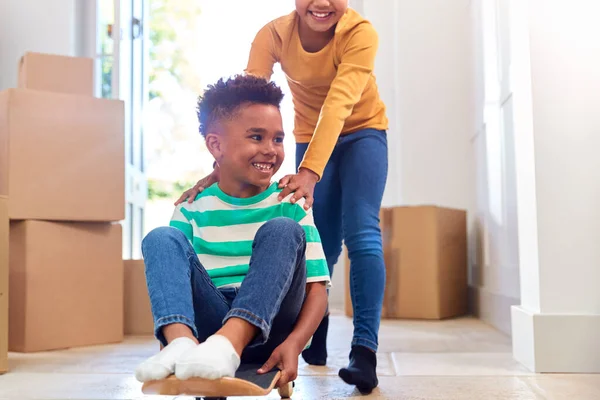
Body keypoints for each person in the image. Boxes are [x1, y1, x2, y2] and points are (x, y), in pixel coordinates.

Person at [176, 0, 388, 394]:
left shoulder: (360, 33)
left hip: (364, 131)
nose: (322, 3)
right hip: (308, 134)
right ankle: (313, 337)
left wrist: (309, 171)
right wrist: (220, 166)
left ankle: (365, 352)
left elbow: (339, 103)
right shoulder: (273, 34)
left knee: (362, 231)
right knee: (315, 234)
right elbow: (243, 109)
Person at [135, 75, 331, 389]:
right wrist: (177, 337)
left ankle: (230, 344)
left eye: (278, 139)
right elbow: (176, 284)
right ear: (216, 145)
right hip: (207, 334)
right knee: (160, 238)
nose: (271, 150)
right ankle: (180, 345)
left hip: (272, 330)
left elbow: (318, 291)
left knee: (282, 230)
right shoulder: (191, 208)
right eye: (257, 137)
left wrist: (295, 343)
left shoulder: (292, 204)